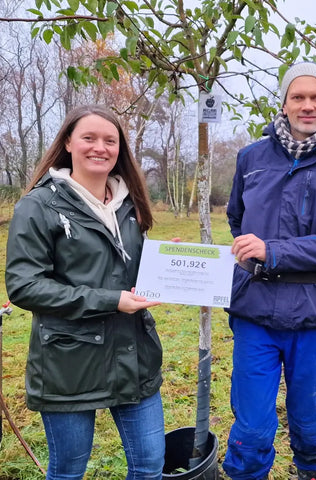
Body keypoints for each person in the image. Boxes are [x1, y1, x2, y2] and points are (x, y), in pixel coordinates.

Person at [223, 62, 316, 480]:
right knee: (251, 429)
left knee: (310, 423)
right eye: (298, 97)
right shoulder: (251, 158)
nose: (308, 105)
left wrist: (274, 250)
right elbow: (238, 219)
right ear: (284, 104)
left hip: (313, 314)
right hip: (254, 311)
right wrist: (256, 252)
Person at [5, 105, 165, 480]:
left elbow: (128, 270)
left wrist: (167, 264)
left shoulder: (129, 204)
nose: (100, 147)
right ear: (68, 143)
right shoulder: (39, 206)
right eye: (89, 138)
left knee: (150, 467)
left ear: (120, 149)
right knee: (68, 472)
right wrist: (111, 301)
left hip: (134, 356)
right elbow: (25, 286)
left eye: (110, 140)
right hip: (68, 364)